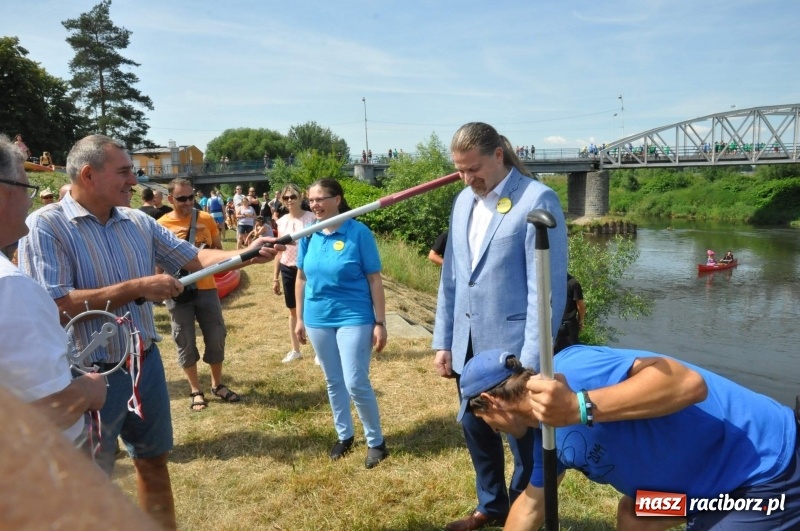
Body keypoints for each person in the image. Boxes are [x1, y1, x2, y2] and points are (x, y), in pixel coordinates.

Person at [18, 134, 281, 529]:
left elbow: (194, 259)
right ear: (89, 175)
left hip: (145, 363)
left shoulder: (139, 221)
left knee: (154, 460)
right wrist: (138, 287)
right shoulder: (46, 225)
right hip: (89, 376)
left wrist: (245, 254)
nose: (135, 181)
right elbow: (56, 306)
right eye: (124, 172)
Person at [458, 347, 800, 531]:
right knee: (635, 515)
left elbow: (688, 384)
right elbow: (531, 505)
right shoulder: (546, 437)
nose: (490, 429)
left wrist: (579, 407)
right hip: (701, 497)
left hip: (762, 473)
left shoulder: (572, 369)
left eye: (481, 419)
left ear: (489, 402)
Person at [432, 122, 567, 531]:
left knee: (524, 441)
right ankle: (490, 507)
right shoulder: (461, 202)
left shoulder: (536, 199)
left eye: (474, 169)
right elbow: (453, 277)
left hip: (513, 352)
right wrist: (444, 341)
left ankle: (524, 512)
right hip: (469, 346)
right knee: (476, 428)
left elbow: (545, 290)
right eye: (459, 170)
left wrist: (527, 362)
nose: (467, 178)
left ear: (498, 156)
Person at [0, 134, 106, 443]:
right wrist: (87, 392)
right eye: (25, 189)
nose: (29, 201)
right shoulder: (10, 287)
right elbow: (45, 415)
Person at [294, 178, 389, 469]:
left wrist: (380, 322)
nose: (315, 204)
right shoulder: (309, 234)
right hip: (317, 317)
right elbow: (301, 278)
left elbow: (374, 280)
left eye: (321, 198)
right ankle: (344, 435)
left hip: (354, 316)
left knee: (355, 380)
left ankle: (376, 442)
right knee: (333, 380)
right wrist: (299, 319)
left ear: (338, 199)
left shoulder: (358, 232)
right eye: (311, 200)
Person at [158, 178, 241, 412]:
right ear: (170, 199)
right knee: (184, 339)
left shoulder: (205, 219)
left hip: (206, 288)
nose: (187, 202)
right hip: (178, 291)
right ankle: (195, 389)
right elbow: (156, 260)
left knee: (216, 335)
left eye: (190, 197)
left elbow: (217, 251)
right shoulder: (161, 224)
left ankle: (217, 384)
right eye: (181, 198)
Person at [272, 183, 315, 363]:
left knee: (312, 309)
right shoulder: (281, 222)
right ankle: (295, 349)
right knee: (293, 311)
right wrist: (275, 278)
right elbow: (279, 251)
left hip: (309, 269)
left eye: (293, 197)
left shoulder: (312, 218)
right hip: (288, 268)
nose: (289, 200)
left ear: (300, 197)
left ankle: (319, 351)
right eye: (286, 198)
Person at [553, 273, 586, 354]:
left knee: (554, 354)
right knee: (571, 353)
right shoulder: (573, 283)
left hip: (553, 323)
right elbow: (581, 307)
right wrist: (580, 321)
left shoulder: (551, 281)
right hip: (568, 326)